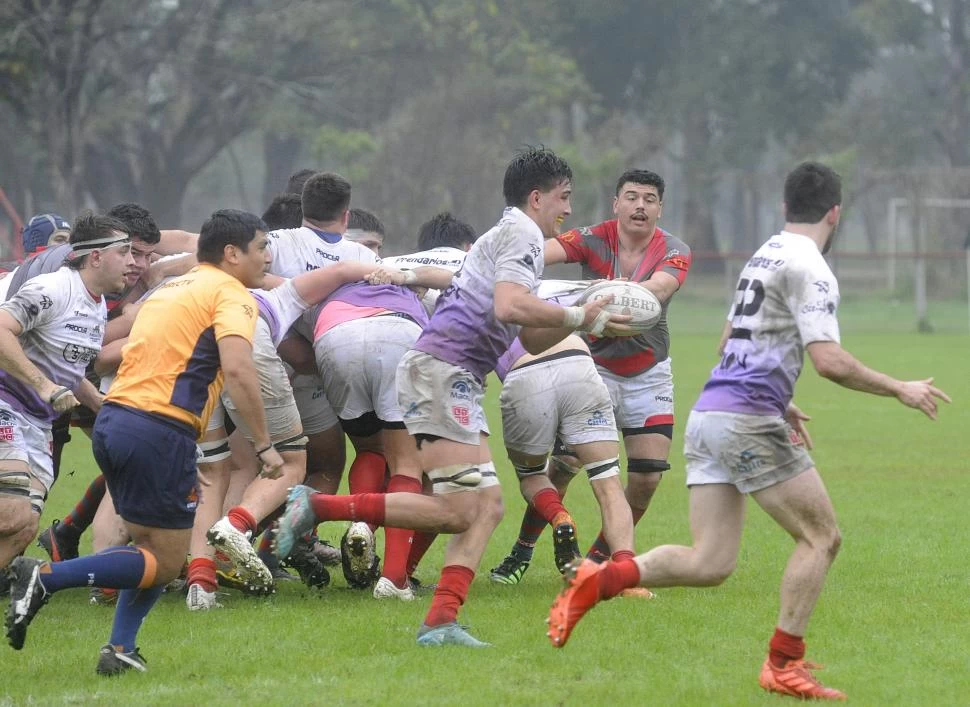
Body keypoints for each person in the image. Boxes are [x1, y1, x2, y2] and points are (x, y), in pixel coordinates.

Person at [545, 162, 951, 701]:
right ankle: (784, 664)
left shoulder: (765, 254)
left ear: (785, 209)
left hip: (711, 412)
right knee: (822, 537)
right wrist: (898, 386)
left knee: (710, 562)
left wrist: (781, 400)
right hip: (747, 419)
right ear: (835, 212)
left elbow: (728, 341)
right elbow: (828, 361)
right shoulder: (812, 267)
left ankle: (600, 579)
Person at [276, 147, 631, 647]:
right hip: (442, 373)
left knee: (486, 508)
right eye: (564, 197)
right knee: (457, 510)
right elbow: (512, 306)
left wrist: (584, 320)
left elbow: (526, 336)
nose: (568, 210)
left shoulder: (510, 237)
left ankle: (441, 620)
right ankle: (319, 510)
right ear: (537, 196)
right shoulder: (522, 235)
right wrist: (574, 314)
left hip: (452, 376)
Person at [5, 209, 284, 675]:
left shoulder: (173, 287)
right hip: (158, 428)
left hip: (117, 420)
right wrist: (265, 444)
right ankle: (46, 577)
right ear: (232, 254)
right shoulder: (231, 294)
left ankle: (119, 649)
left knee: (156, 548)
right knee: (166, 560)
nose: (268, 256)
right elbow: (238, 369)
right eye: (261, 247)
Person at [492, 169, 691, 584]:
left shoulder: (674, 249)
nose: (640, 205)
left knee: (648, 477)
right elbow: (538, 252)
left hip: (648, 373)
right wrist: (506, 260)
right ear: (616, 204)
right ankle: (521, 552)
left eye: (649, 199)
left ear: (659, 208)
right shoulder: (591, 238)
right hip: (591, 369)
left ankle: (600, 560)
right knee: (562, 466)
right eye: (631, 197)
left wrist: (613, 292)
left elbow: (659, 289)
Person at [0, 212, 134, 573]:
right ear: (95, 256)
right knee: (10, 512)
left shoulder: (96, 305)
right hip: (5, 405)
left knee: (24, 526)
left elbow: (69, 371)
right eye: (124, 252)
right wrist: (44, 386)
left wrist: (101, 405)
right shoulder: (53, 289)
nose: (133, 262)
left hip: (39, 425)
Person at [490, 279, 635, 585]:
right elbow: (614, 286)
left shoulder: (483, 291)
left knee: (531, 475)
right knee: (609, 482)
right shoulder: (551, 284)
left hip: (524, 374)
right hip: (579, 366)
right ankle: (626, 576)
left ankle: (559, 516)